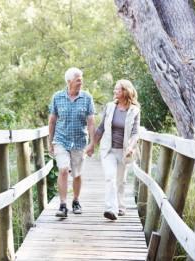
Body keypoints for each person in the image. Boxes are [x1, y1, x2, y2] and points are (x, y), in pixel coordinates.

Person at [88, 79, 140, 220]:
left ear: (125, 92)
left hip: (124, 151)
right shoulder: (110, 107)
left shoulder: (134, 111)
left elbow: (135, 132)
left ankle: (121, 206)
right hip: (108, 150)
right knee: (110, 178)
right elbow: (101, 128)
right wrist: (92, 145)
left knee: (120, 181)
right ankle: (111, 209)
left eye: (117, 89)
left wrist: (130, 146)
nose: (114, 91)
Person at [48, 67, 95, 218]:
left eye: (81, 79)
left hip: (80, 141)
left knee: (77, 174)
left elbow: (91, 123)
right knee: (63, 169)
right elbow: (52, 121)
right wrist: (50, 142)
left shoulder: (87, 98)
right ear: (69, 81)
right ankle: (62, 205)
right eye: (78, 80)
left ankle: (75, 201)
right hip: (61, 140)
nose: (81, 82)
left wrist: (92, 143)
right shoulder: (57, 97)